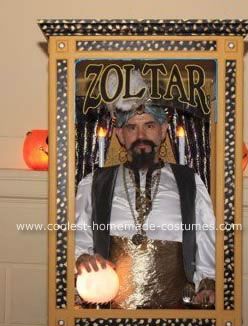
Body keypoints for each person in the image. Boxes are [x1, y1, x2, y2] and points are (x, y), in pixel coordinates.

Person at [75, 70, 215, 309]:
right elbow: (76, 241)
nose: (141, 136)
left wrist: (209, 283)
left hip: (178, 316)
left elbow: (207, 240)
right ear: (119, 135)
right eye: (131, 127)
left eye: (149, 125)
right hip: (110, 316)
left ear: (163, 130)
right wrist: (81, 259)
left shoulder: (189, 182)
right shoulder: (94, 184)